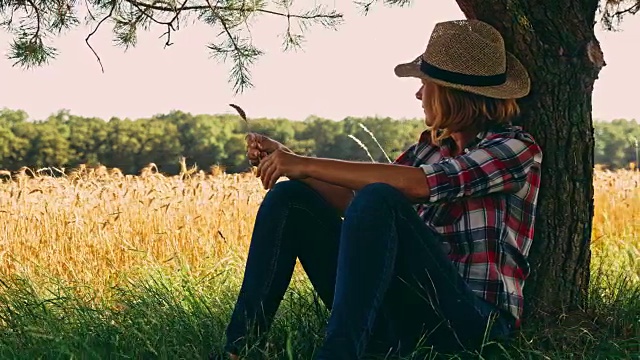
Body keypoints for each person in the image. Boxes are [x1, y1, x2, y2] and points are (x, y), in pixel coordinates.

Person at [220, 19, 543, 360]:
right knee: (290, 199)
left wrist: (304, 163)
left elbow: (418, 186)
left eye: (425, 84)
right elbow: (357, 205)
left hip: (474, 322)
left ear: (452, 92)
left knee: (380, 194)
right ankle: (238, 350)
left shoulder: (514, 148)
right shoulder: (428, 151)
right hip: (406, 313)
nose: (419, 94)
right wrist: (285, 159)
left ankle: (339, 354)